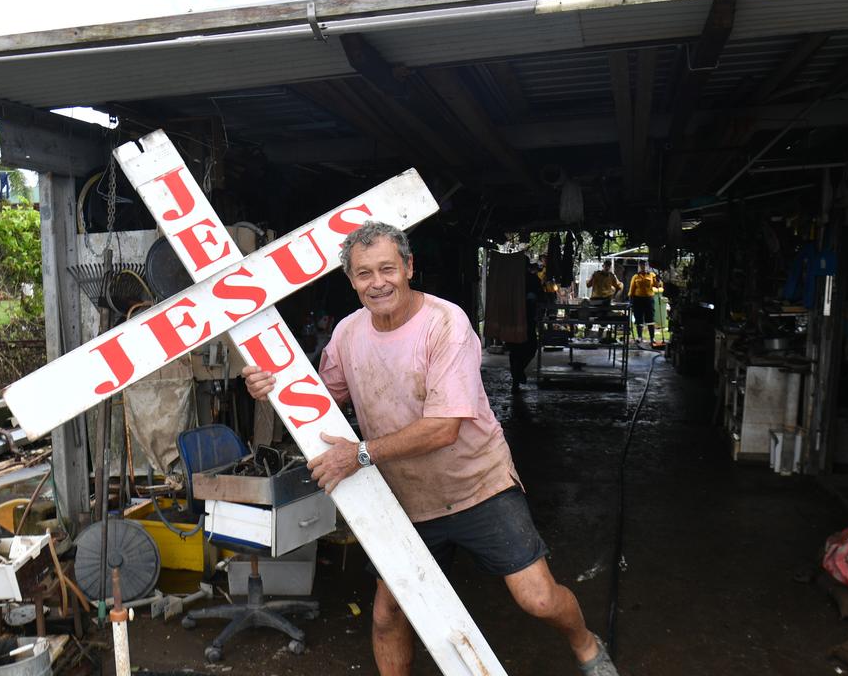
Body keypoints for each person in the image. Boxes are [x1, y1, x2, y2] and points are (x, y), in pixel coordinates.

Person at [243, 222, 621, 676]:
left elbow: (444, 429)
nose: (378, 282)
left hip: (477, 485)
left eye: (387, 268)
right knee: (388, 615)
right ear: (351, 280)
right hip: (407, 499)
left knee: (537, 598)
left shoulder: (446, 323)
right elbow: (320, 397)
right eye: (364, 273)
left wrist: (360, 453)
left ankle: (585, 645)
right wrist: (272, 384)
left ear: (409, 267)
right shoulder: (347, 334)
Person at [509, 259, 544, 388]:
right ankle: (516, 379)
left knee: (523, 350)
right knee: (519, 350)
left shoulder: (532, 280)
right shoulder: (513, 281)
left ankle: (517, 375)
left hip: (524, 320)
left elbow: (541, 298)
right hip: (518, 320)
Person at [628, 263, 662, 347]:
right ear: (639, 267)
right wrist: (631, 300)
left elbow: (658, 286)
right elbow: (631, 289)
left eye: (644, 265)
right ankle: (639, 337)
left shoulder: (652, 275)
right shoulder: (635, 276)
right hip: (637, 300)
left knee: (650, 318)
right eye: (641, 266)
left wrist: (658, 280)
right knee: (638, 318)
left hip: (649, 299)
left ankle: (652, 338)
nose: (643, 267)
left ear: (647, 266)